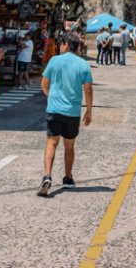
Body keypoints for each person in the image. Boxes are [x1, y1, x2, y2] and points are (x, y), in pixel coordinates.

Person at [38, 35, 93, 196]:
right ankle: (68, 178)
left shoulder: (54, 61)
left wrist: (51, 97)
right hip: (72, 112)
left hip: (54, 109)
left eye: (61, 44)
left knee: (51, 143)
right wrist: (89, 111)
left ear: (66, 45)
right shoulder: (83, 64)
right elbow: (88, 89)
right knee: (69, 146)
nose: (60, 47)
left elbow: (44, 84)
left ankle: (47, 176)